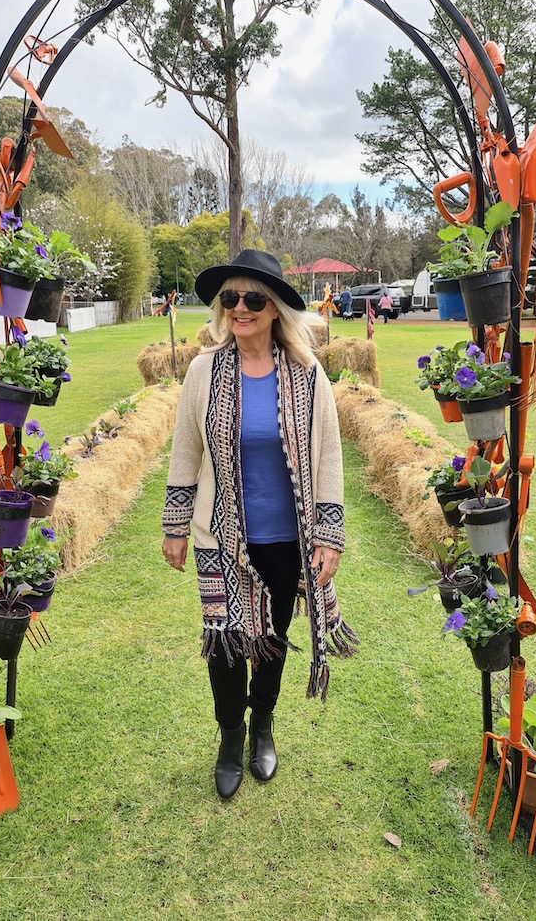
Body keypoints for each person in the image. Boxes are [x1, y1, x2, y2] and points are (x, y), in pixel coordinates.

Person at [161, 249, 357, 800]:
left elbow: (329, 457)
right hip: (218, 536)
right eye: (231, 298)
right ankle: (230, 735)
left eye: (253, 298)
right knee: (223, 644)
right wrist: (175, 527)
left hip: (285, 538)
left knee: (272, 639)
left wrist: (329, 535)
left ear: (275, 309)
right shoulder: (204, 371)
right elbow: (185, 453)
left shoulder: (305, 373)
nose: (240, 308)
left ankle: (262, 726)